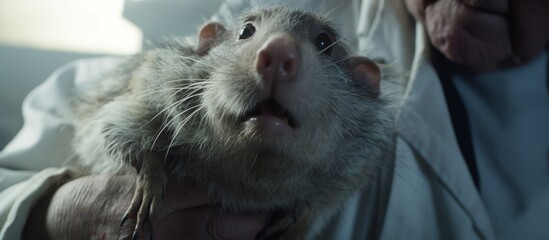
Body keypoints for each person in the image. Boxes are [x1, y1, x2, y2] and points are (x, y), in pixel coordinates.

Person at [1, 0, 548, 239]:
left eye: (325, 46)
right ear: (208, 44)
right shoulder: (181, 69)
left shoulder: (361, 134)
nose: (275, 55)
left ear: (363, 82)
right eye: (245, 36)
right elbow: (78, 120)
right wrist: (54, 216)